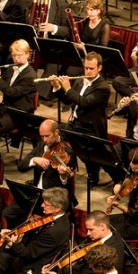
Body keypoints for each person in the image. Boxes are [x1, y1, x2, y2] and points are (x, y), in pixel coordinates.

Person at [52, 52, 113, 187]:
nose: (88, 71)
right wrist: (57, 87)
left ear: (99, 68)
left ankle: (101, 175)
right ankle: (66, 168)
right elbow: (69, 100)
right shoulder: (80, 81)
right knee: (56, 133)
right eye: (86, 68)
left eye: (91, 68)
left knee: (93, 156)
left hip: (90, 128)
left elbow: (84, 102)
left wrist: (67, 88)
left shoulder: (103, 87)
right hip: (76, 123)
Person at [15, 119, 77, 208]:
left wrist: (63, 176)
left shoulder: (68, 153)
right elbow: (21, 166)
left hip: (54, 200)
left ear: (56, 132)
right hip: (36, 195)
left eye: (47, 136)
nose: (44, 140)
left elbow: (67, 186)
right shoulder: (41, 146)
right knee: (8, 213)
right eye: (42, 136)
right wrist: (35, 159)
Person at [0, 38, 36, 135]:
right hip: (4, 108)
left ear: (27, 54)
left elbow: (11, 92)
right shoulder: (11, 68)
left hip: (17, 114)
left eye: (19, 55)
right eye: (14, 55)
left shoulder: (30, 76)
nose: (16, 58)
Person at [107, 147, 138, 241]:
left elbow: (133, 212)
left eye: (134, 163)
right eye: (131, 161)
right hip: (130, 219)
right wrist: (117, 190)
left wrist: (118, 205)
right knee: (102, 221)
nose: (131, 164)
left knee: (105, 231)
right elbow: (126, 182)